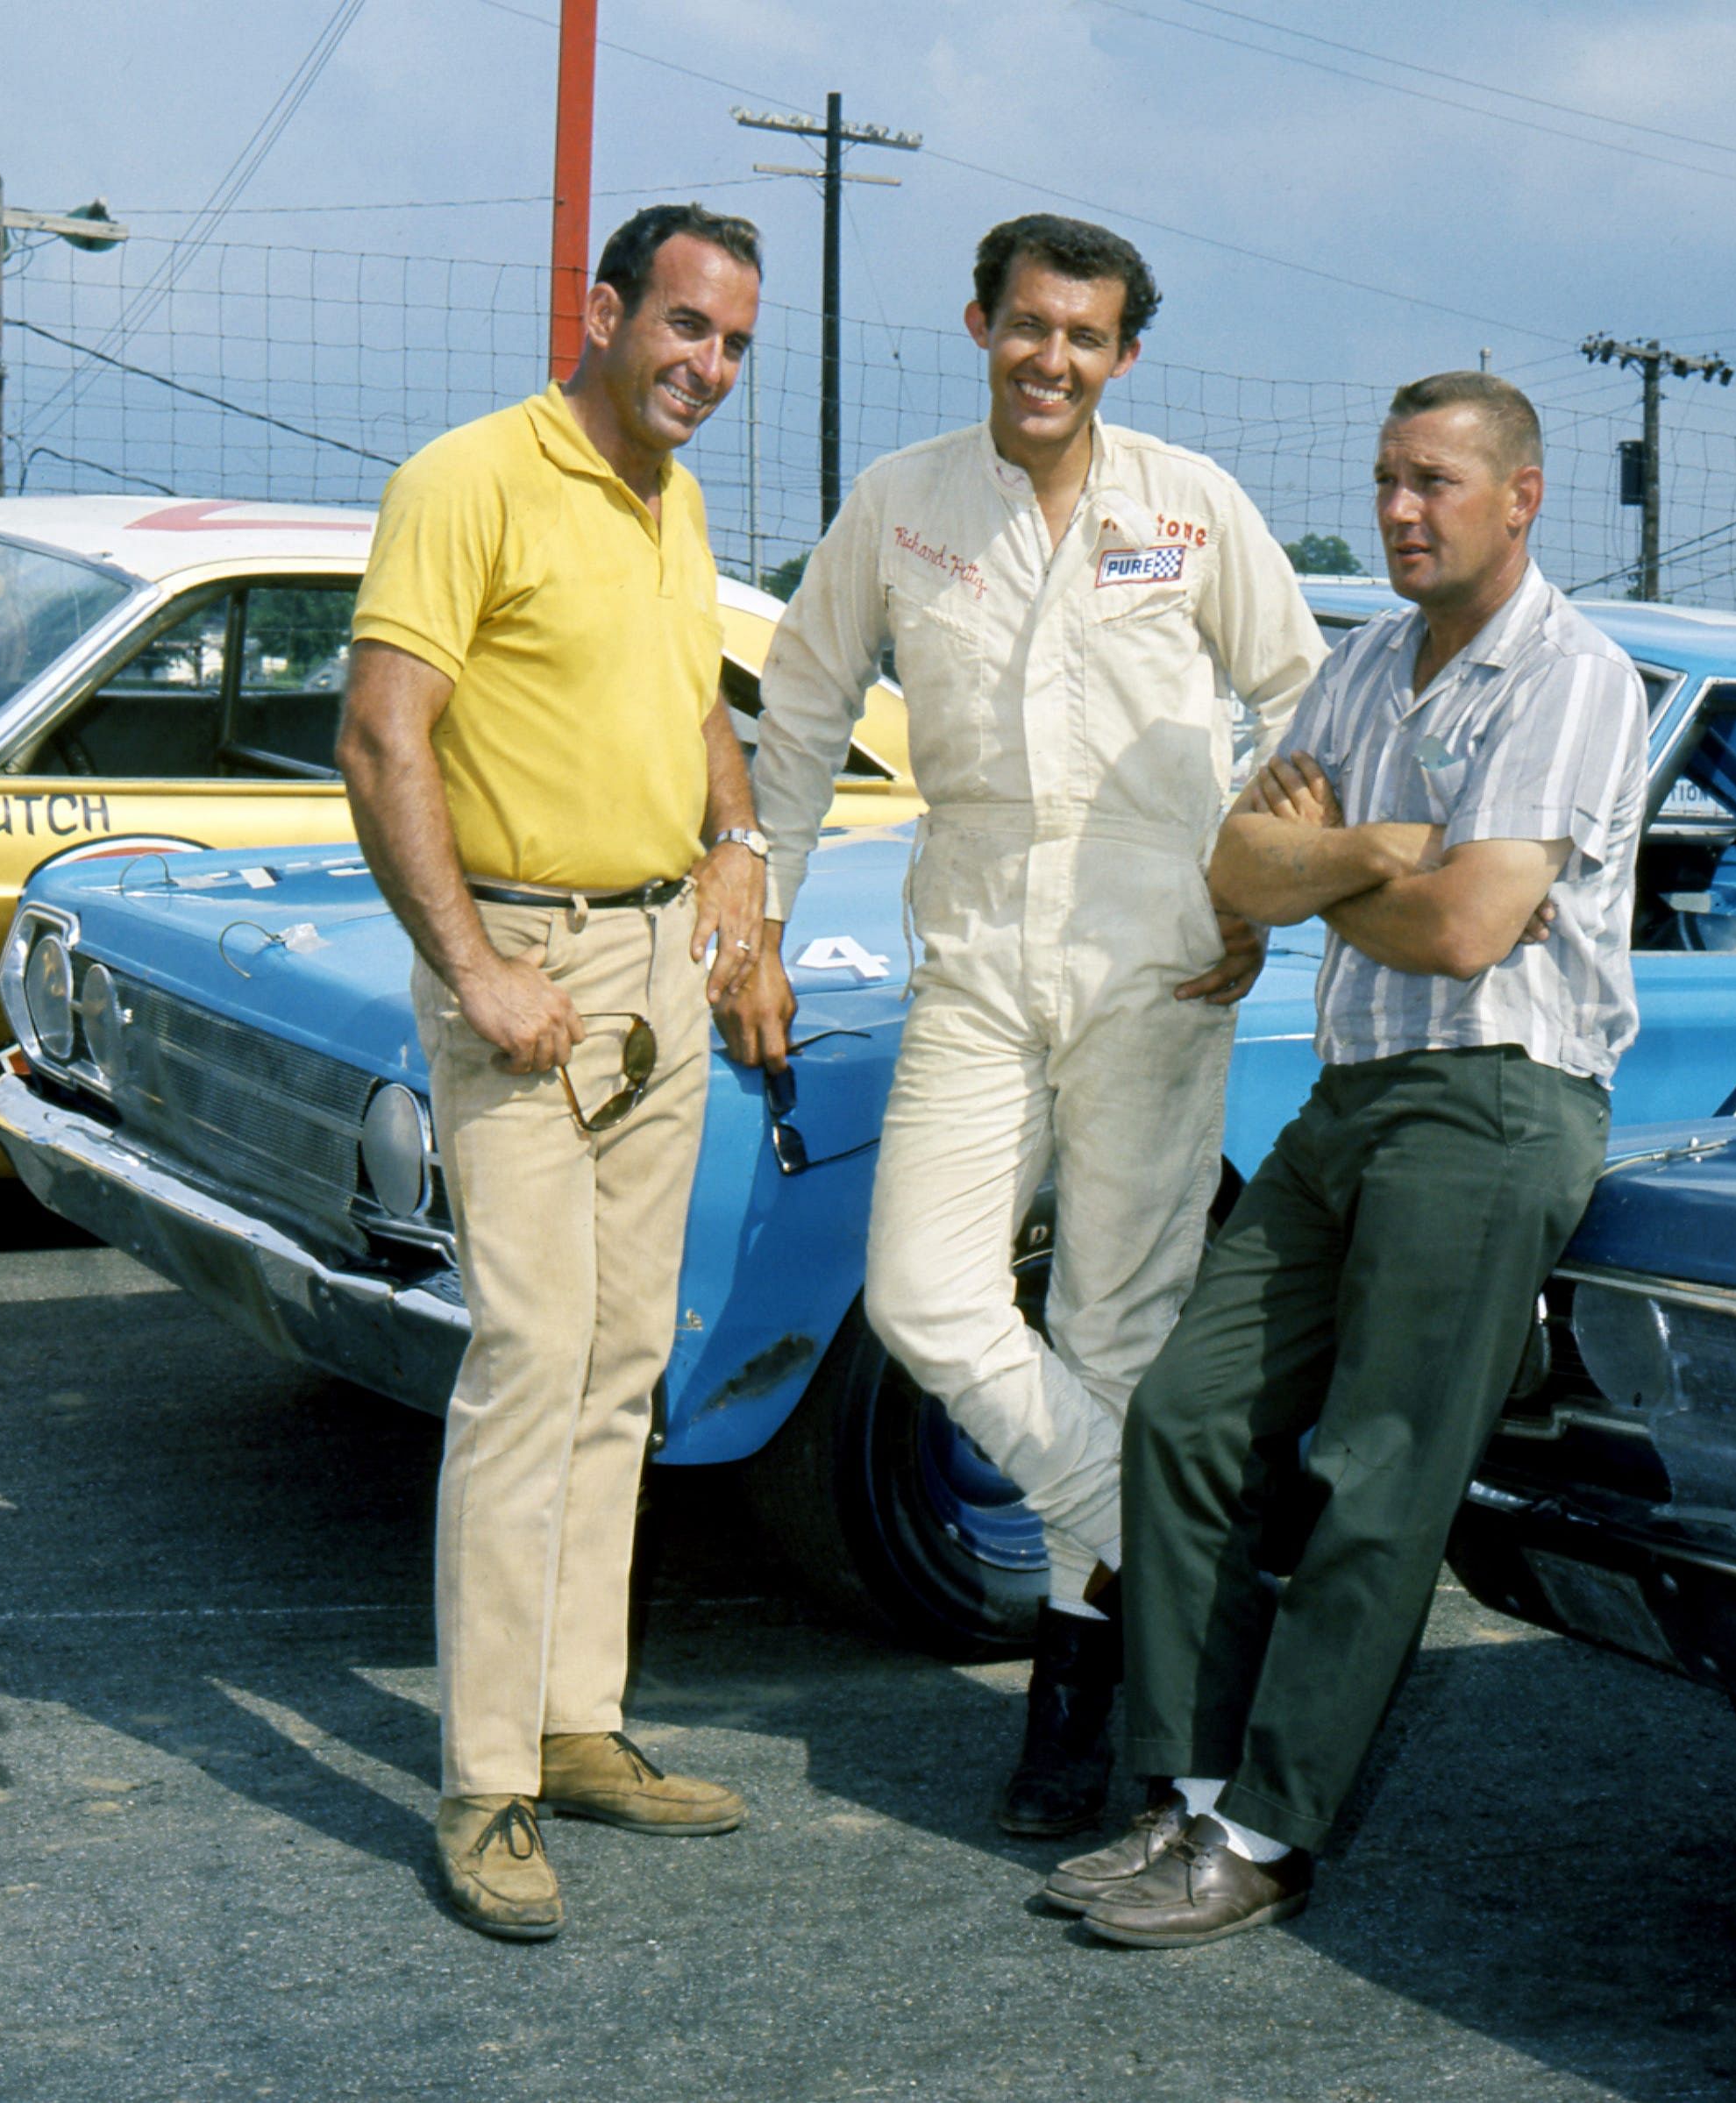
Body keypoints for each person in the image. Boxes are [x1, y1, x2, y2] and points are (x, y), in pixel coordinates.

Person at [724, 215, 1325, 1836]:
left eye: (1087, 337)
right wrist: (758, 922)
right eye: (1028, 326)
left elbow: (1303, 701)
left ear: (1123, 356)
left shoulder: (1191, 508)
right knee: (924, 1294)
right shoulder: (902, 505)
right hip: (976, 961)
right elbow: (800, 707)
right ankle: (1160, 1545)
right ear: (981, 322)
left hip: (1160, 965)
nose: (1051, 359)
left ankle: (1081, 1699)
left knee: (1116, 1335)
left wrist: (1260, 890)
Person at [1054, 370, 1647, 1947]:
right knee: (1184, 1417)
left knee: (1375, 1474)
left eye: (1436, 482)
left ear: (1520, 497)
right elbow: (1237, 858)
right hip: (1353, 1094)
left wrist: (1325, 871)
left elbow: (1465, 931)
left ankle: (1267, 1831)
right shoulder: (1367, 668)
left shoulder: (1570, 677)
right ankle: (1182, 1797)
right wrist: (1367, 854)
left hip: (1492, 1103)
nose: (1400, 509)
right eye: (1388, 478)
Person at [338, 203, 771, 1942]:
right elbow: (381, 733)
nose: (708, 370)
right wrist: (475, 967)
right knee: (528, 1352)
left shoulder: (672, 498)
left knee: (623, 1351)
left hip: (662, 961)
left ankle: (579, 1722)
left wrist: (736, 850)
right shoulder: (473, 477)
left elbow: (694, 706)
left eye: (734, 345)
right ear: (603, 310)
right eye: (683, 328)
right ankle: (486, 1784)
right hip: (518, 967)